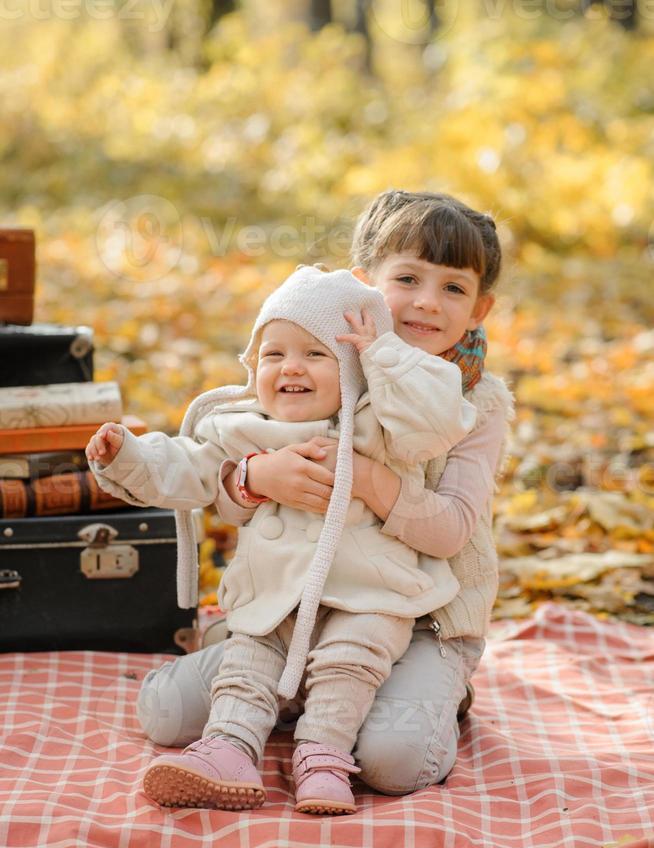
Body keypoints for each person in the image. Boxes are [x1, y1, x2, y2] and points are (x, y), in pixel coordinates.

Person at [132, 188, 515, 802]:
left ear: (479, 308)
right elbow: (227, 488)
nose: (425, 302)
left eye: (453, 288)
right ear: (364, 285)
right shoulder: (316, 361)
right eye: (408, 278)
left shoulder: (477, 403)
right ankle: (295, 688)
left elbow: (450, 531)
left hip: (426, 619)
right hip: (307, 603)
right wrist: (257, 476)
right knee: (166, 714)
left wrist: (363, 477)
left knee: (393, 763)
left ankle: (418, 690)